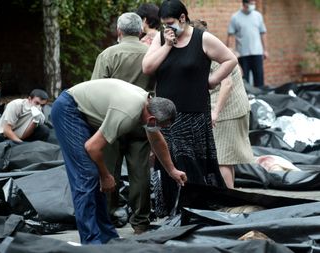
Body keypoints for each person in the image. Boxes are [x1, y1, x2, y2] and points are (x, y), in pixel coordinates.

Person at [51, 78, 187, 244]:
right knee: (87, 175)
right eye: (161, 126)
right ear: (152, 119)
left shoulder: (147, 103)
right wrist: (105, 175)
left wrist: (172, 170)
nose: (159, 130)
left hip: (81, 109)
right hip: (69, 109)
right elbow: (92, 148)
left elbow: (157, 140)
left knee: (94, 177)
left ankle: (107, 236)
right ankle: (91, 242)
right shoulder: (128, 113)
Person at [142, 0, 237, 214]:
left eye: (171, 23)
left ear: (183, 19)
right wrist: (167, 45)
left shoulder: (201, 38)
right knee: (169, 162)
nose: (168, 28)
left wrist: (212, 81)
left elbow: (230, 59)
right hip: (167, 115)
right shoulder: (161, 39)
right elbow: (147, 68)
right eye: (164, 24)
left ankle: (198, 209)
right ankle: (170, 210)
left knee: (193, 164)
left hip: (194, 114)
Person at [91, 12, 155, 234]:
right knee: (140, 174)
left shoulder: (108, 55)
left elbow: (95, 91)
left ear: (119, 31)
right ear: (140, 31)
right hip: (142, 122)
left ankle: (107, 221)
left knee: (108, 173)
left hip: (112, 123)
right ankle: (140, 223)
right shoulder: (151, 54)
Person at [191, 19, 255, 188]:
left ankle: (228, 201)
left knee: (222, 159)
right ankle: (231, 194)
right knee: (227, 158)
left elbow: (227, 84)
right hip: (233, 109)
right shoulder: (215, 48)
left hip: (227, 112)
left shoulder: (212, 53)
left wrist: (215, 112)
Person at [226, 0, 268, 87]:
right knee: (245, 81)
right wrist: (230, 52)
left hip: (257, 53)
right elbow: (230, 35)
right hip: (242, 54)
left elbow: (263, 33)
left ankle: (260, 98)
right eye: (251, 3)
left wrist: (265, 50)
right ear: (245, 4)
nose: (253, 5)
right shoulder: (235, 17)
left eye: (254, 3)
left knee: (259, 80)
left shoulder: (258, 16)